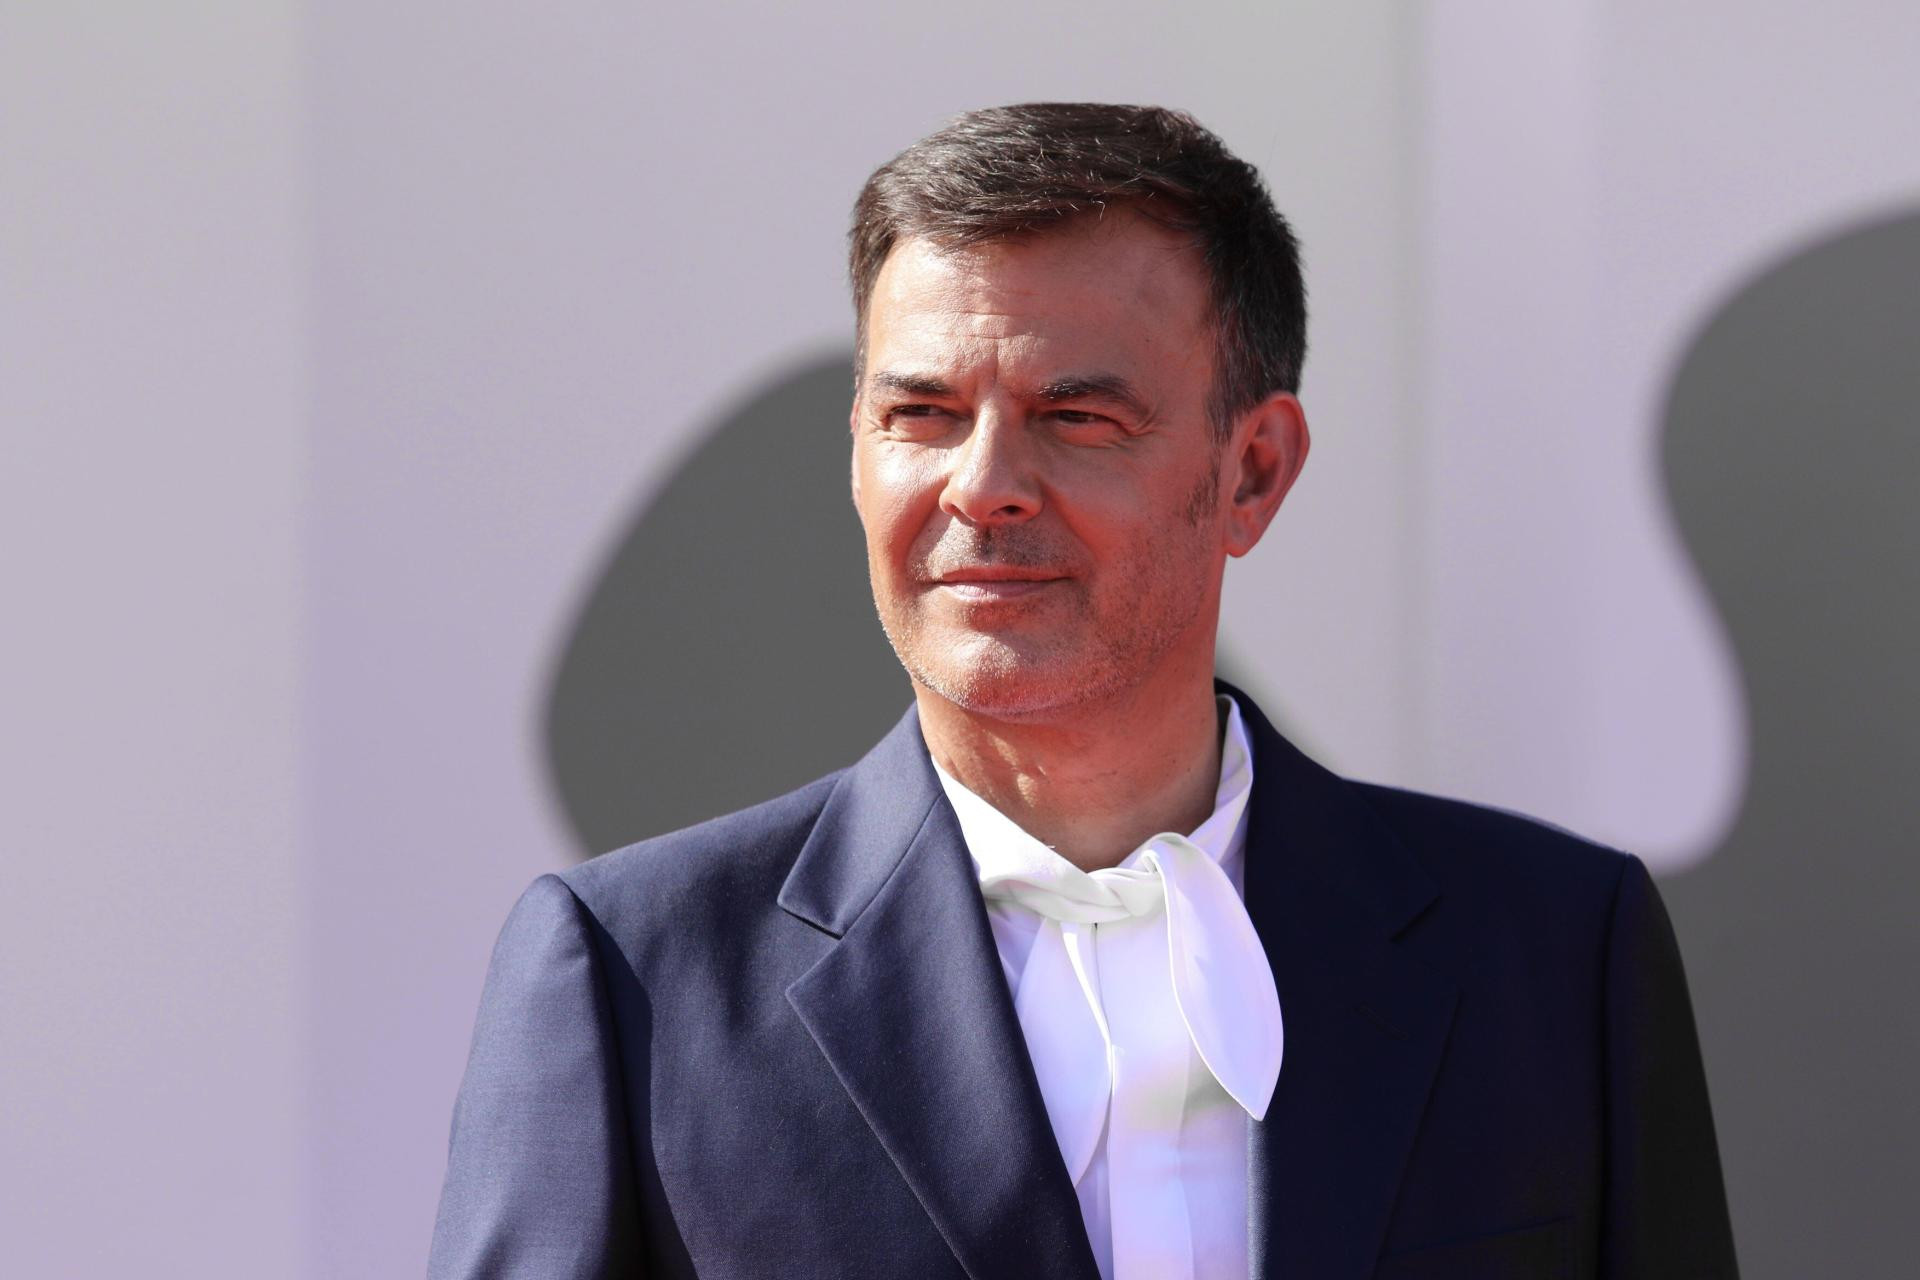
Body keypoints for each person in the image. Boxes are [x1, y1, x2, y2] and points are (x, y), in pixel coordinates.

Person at [427, 103, 1739, 1280]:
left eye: (1078, 417)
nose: (983, 485)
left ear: (1255, 471)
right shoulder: (633, 977)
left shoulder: (1555, 952)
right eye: (922, 415)